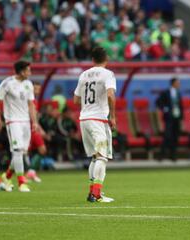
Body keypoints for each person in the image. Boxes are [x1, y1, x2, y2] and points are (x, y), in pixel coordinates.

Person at [74, 47, 116, 203]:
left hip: (84, 119)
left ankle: (93, 192)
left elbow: (76, 100)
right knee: (102, 157)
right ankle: (96, 194)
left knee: (94, 157)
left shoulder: (83, 75)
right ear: (106, 59)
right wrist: (113, 116)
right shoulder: (108, 74)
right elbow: (111, 95)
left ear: (92, 60)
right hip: (98, 120)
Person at [0, 60, 39, 192]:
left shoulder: (28, 84)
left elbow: (31, 104)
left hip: (25, 121)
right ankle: (21, 182)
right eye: (28, 70)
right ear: (21, 71)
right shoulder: (8, 83)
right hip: (13, 121)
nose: (30, 73)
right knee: (18, 151)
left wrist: (35, 121)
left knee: (21, 152)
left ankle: (7, 176)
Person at [156, 77, 183, 161]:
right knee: (167, 136)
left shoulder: (178, 93)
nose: (179, 84)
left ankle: (173, 155)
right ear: (173, 83)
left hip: (177, 117)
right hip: (169, 118)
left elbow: (180, 106)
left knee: (175, 136)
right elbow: (158, 102)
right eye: (177, 83)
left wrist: (181, 117)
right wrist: (165, 108)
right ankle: (161, 155)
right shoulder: (166, 92)